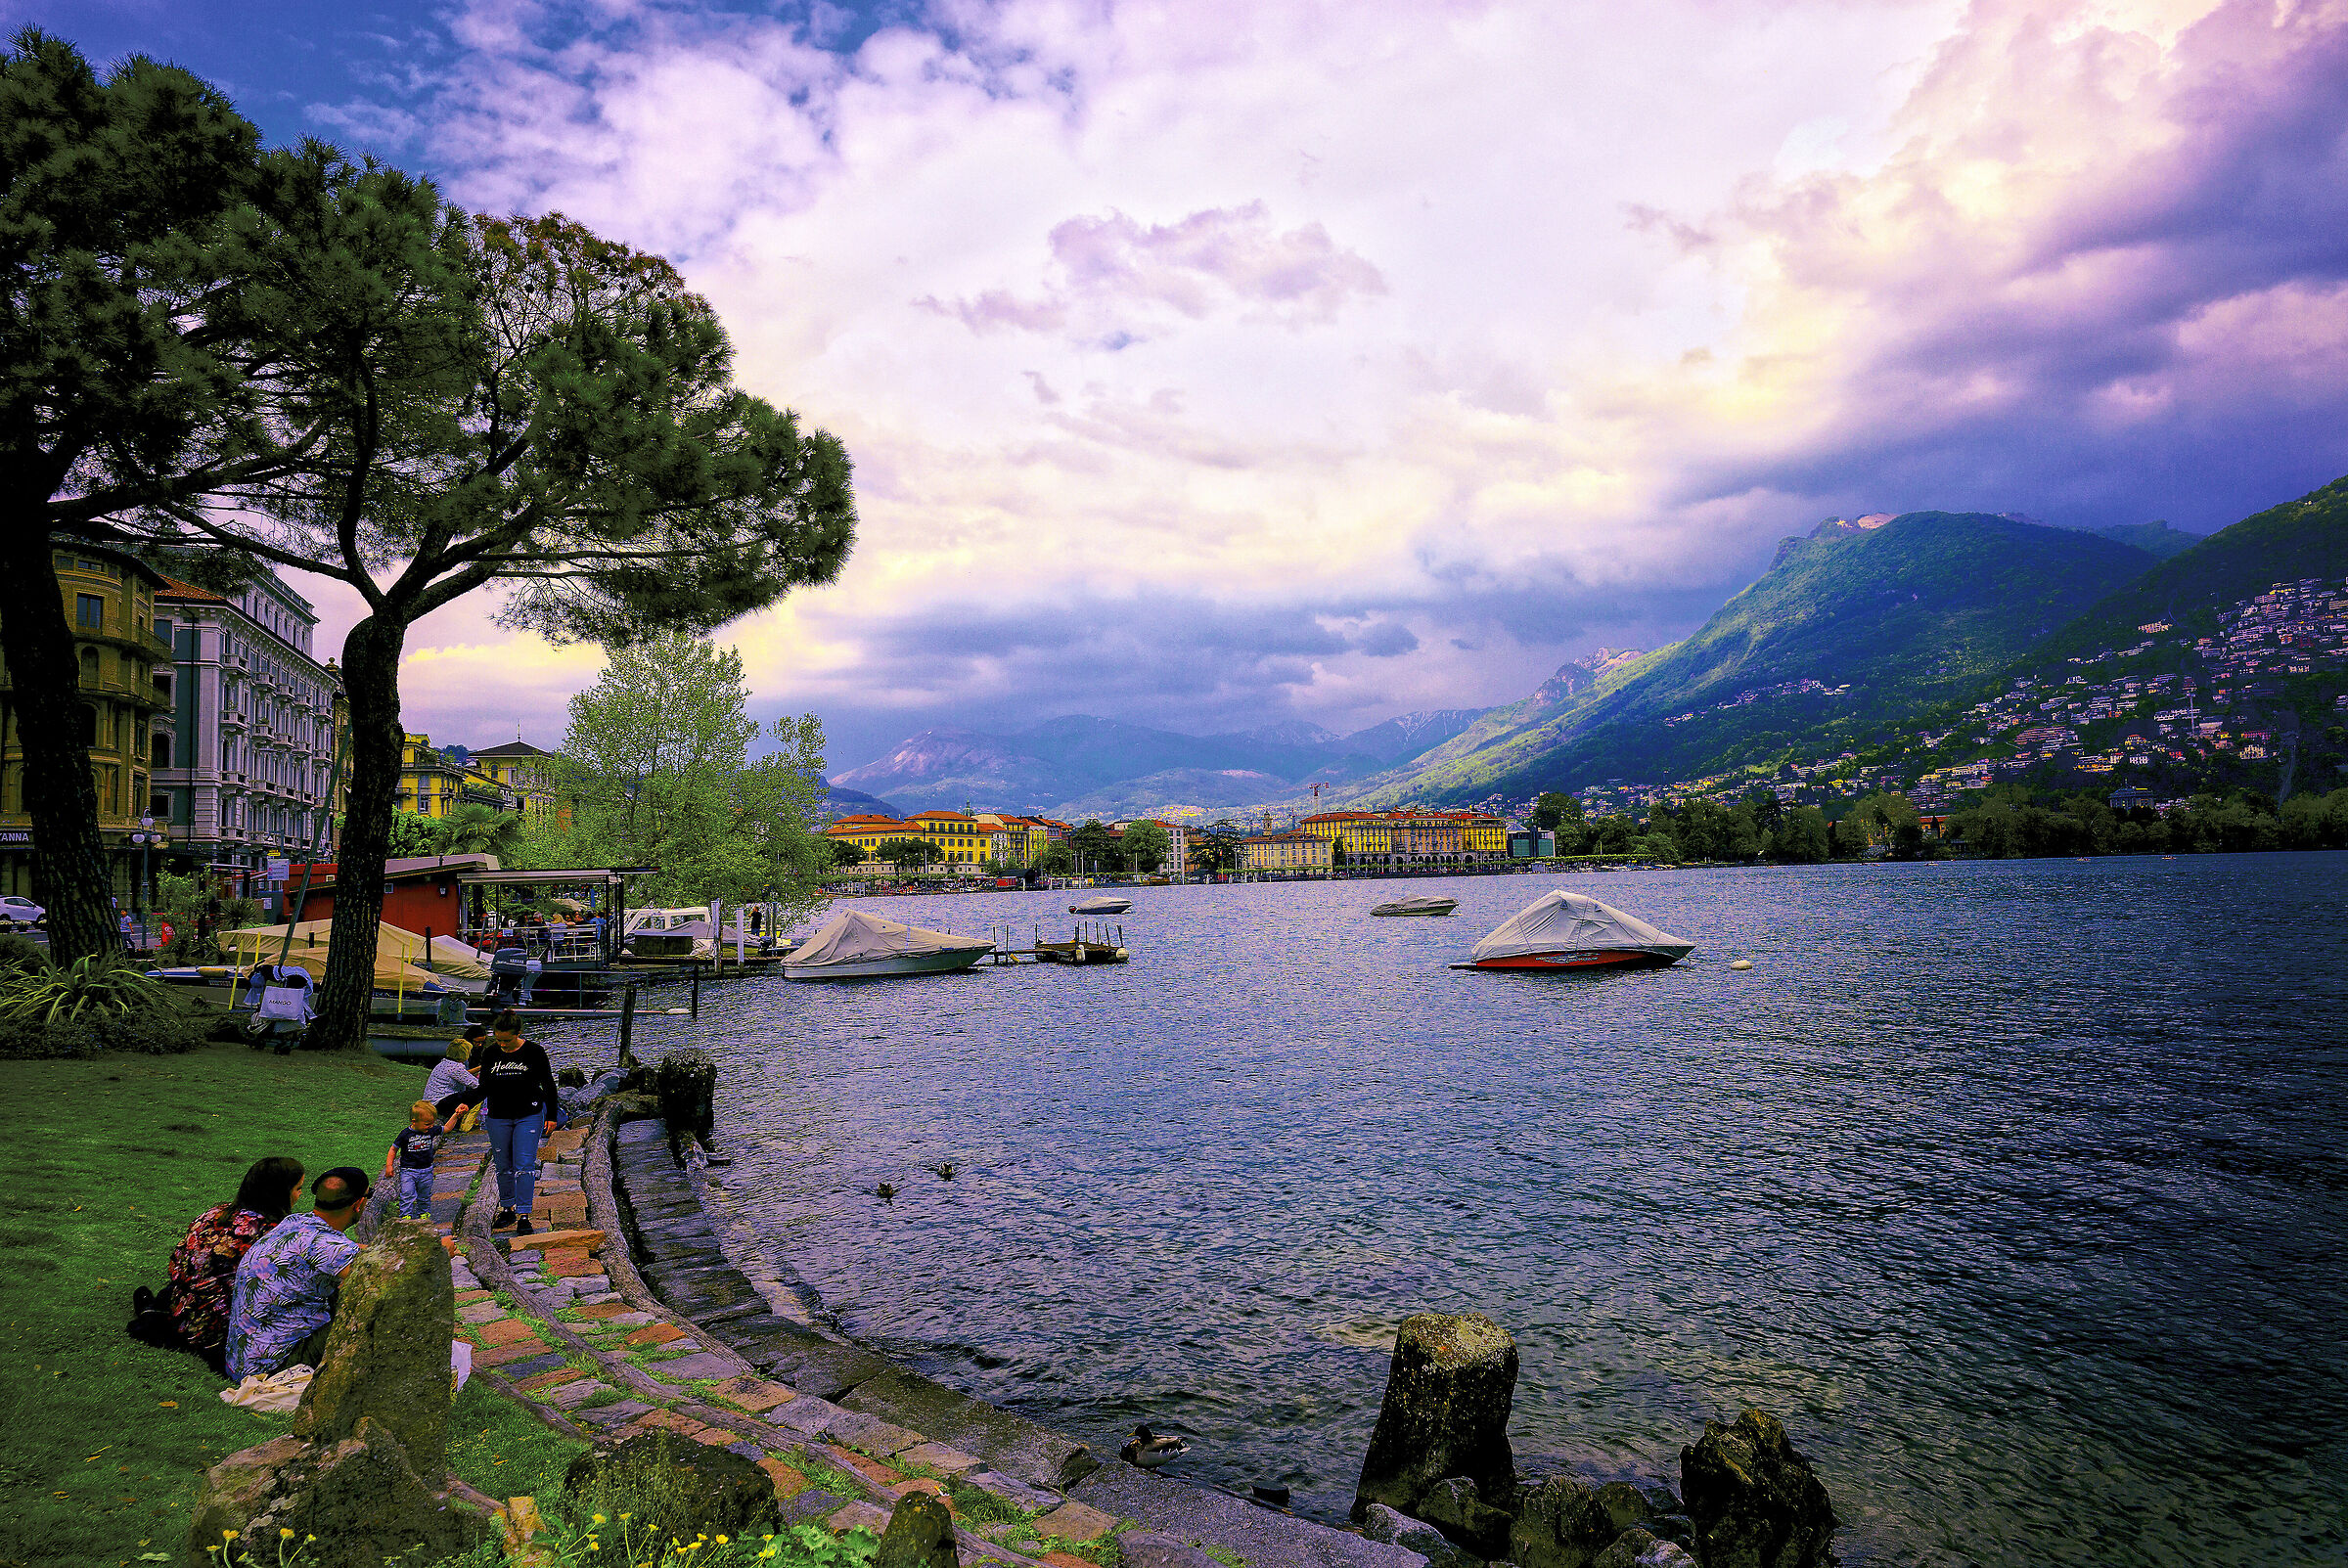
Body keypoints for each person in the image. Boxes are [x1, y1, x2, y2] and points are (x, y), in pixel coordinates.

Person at [130, 1156, 303, 1373]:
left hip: (183, 1306)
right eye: (298, 1189)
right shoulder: (272, 1233)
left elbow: (177, 1263)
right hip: (217, 1326)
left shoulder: (215, 1213)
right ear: (280, 1193)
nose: (300, 1195)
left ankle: (155, 1312)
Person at [223, 1167, 370, 1382]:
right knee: (372, 1309)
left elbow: (353, 1250)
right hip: (273, 1368)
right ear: (359, 1204)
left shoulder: (296, 1223)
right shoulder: (328, 1247)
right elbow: (381, 1275)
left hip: (242, 1361)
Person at [475, 1010, 558, 1235]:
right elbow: (484, 1086)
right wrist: (463, 1103)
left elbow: (548, 1085)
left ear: (518, 1034)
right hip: (498, 1115)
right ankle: (507, 1208)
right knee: (503, 1165)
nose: (501, 1044)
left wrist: (551, 1115)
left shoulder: (534, 1052)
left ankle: (524, 1213)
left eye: (506, 1040)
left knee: (524, 1165)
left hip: (528, 1114)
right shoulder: (491, 1053)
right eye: (498, 1039)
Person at [383, 1101, 441, 1220]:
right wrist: (389, 1165)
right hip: (408, 1171)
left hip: (426, 1170)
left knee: (424, 1195)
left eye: (432, 1123)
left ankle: (424, 1214)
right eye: (427, 1124)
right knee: (407, 1194)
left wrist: (456, 1115)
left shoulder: (430, 1131)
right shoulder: (405, 1134)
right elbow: (393, 1149)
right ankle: (405, 1216)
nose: (431, 1126)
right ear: (414, 1122)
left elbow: (448, 1128)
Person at [426, 1028, 486, 1125]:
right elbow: (476, 1085)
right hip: (440, 1104)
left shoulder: (445, 1063)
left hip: (433, 1102)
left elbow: (465, 1076)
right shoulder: (456, 1068)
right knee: (481, 1091)